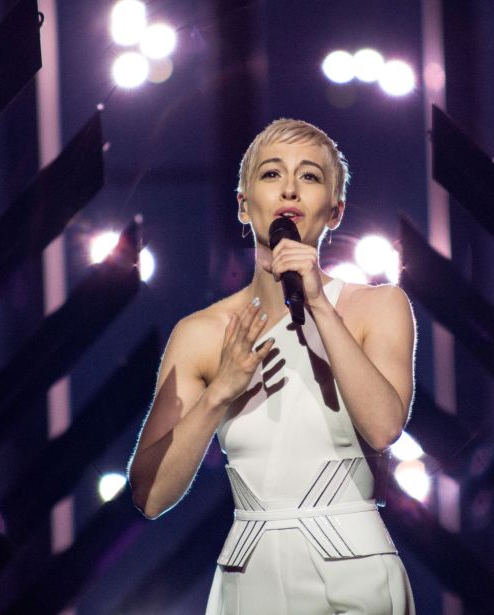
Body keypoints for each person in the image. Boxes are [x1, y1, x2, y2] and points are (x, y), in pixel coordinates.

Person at [127, 118, 416, 614]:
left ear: (335, 210)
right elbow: (150, 496)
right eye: (270, 174)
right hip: (249, 573)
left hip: (354, 567)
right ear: (243, 204)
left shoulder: (378, 307)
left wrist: (320, 306)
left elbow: (384, 427)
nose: (288, 187)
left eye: (309, 176)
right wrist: (219, 392)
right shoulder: (200, 334)